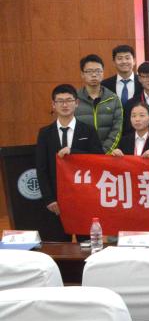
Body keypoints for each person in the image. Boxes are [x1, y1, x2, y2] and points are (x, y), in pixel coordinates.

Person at [35, 84, 102, 239]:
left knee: (86, 245)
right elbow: (41, 168)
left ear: (76, 103)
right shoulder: (45, 133)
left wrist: (74, 152)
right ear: (53, 105)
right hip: (56, 201)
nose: (64, 105)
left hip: (83, 198)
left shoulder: (88, 130)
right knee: (59, 245)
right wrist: (49, 199)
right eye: (60, 101)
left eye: (69, 100)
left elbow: (98, 159)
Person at [75, 54, 122, 154]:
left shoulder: (113, 99)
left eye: (98, 71)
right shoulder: (74, 99)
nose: (94, 75)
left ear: (103, 73)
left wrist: (103, 152)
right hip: (82, 154)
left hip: (108, 154)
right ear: (82, 74)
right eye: (89, 71)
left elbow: (117, 129)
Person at [101, 44, 142, 119]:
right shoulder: (105, 85)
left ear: (134, 61)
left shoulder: (142, 82)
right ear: (114, 62)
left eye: (127, 58)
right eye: (119, 58)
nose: (124, 61)